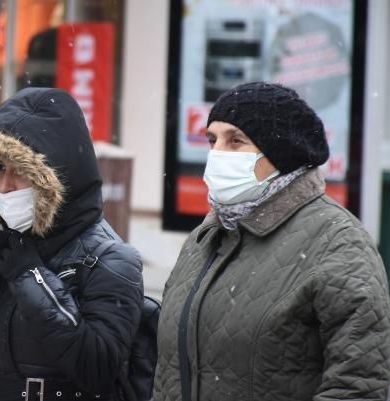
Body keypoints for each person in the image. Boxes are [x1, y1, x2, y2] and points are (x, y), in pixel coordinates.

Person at [154, 82, 390, 401]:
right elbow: (170, 372)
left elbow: (359, 385)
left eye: (236, 141)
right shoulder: (206, 236)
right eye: (212, 140)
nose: (217, 154)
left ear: (280, 153)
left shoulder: (339, 241)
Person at [0, 87, 144, 401]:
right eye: (0, 168)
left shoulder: (110, 258)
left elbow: (97, 368)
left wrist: (31, 277)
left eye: (21, 172)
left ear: (57, 175)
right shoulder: (5, 248)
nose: (5, 186)